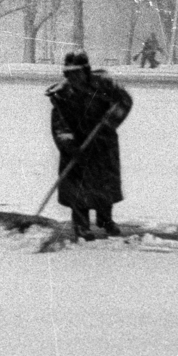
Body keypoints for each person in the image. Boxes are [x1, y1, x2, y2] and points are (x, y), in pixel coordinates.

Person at [47, 50, 134, 240]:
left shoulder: (104, 85)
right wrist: (70, 147)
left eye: (77, 72)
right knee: (78, 189)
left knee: (104, 185)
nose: (74, 77)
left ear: (86, 71)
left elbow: (124, 101)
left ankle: (105, 220)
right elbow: (59, 125)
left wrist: (109, 122)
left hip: (103, 144)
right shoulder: (62, 95)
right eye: (69, 74)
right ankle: (81, 225)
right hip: (77, 147)